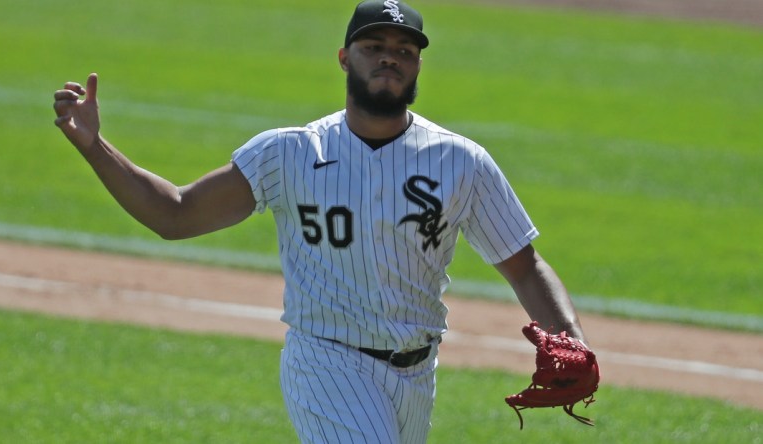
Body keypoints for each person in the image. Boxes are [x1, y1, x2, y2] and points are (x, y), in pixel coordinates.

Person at [53, 1, 590, 442]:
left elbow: (524, 265)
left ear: (419, 65)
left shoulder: (461, 162)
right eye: (374, 47)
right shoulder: (288, 154)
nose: (390, 59)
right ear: (343, 57)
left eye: (403, 50)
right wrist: (96, 148)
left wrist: (572, 340)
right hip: (327, 363)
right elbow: (174, 214)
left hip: (417, 374)